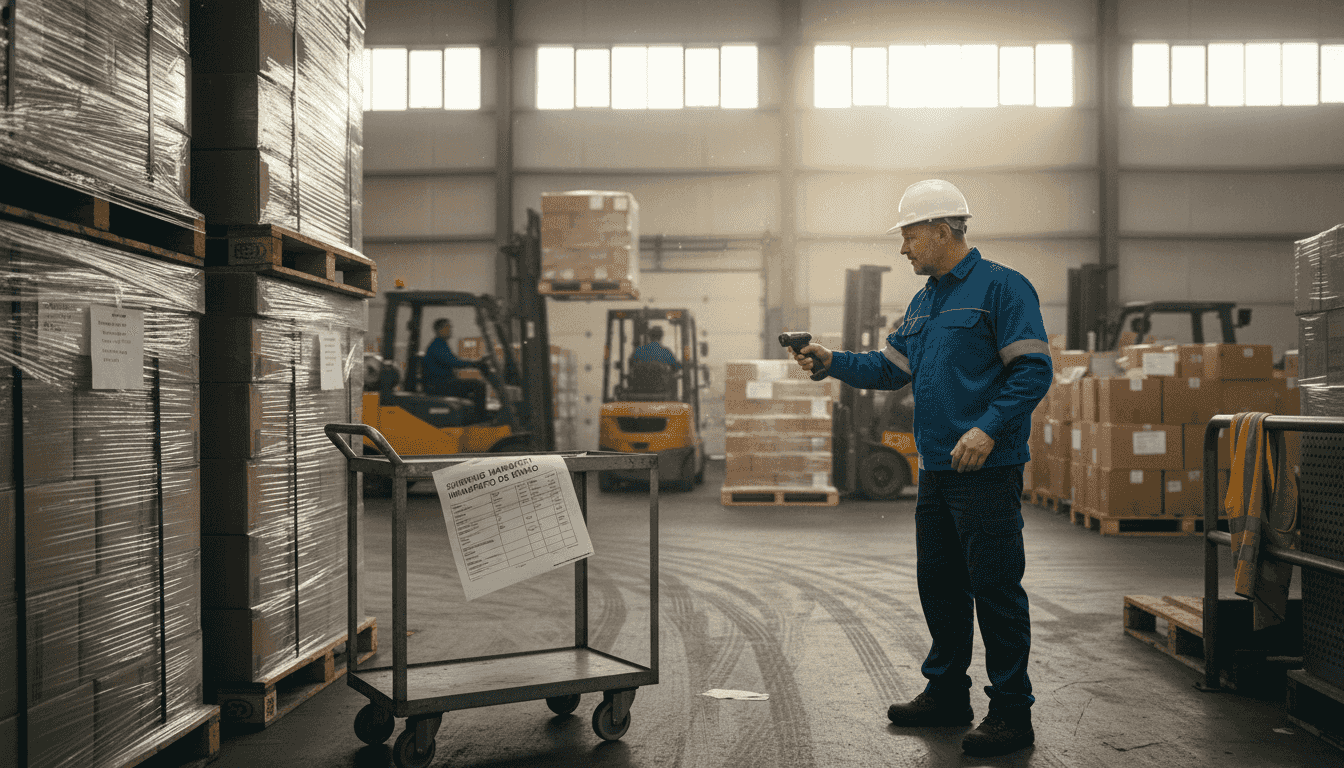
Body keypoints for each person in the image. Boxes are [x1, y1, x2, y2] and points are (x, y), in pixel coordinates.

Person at [791, 179, 1052, 758]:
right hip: (936, 468)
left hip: (986, 467)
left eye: (909, 235)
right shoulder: (925, 301)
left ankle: (1012, 711)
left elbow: (1033, 371)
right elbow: (889, 369)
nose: (903, 247)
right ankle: (947, 693)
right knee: (940, 583)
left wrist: (988, 428)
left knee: (996, 589)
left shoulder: (1002, 289)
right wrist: (831, 360)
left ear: (941, 229)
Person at [421, 318, 488, 418]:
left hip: (443, 382)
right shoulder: (437, 346)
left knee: (471, 392)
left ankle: (469, 416)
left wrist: (475, 362)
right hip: (439, 384)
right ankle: (479, 417)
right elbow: (453, 362)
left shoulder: (442, 344)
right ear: (439, 330)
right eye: (447, 327)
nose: (450, 330)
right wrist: (475, 364)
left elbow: (455, 359)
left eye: (450, 327)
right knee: (479, 385)